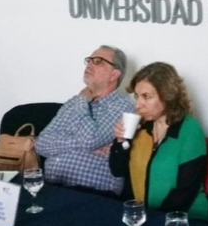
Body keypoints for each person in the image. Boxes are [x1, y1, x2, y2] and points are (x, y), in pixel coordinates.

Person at [109, 62, 208, 220]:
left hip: (185, 220)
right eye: (136, 96)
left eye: (146, 97)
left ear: (167, 96)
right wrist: (121, 142)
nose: (137, 104)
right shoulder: (141, 127)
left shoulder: (189, 129)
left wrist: (153, 220)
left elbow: (185, 190)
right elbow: (117, 170)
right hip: (148, 217)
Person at [36, 45, 134, 195]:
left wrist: (82, 101)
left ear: (114, 74)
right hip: (51, 187)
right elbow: (41, 144)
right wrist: (83, 144)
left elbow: (90, 139)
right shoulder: (74, 102)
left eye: (98, 61)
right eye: (89, 60)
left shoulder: (122, 106)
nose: (89, 64)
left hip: (91, 194)